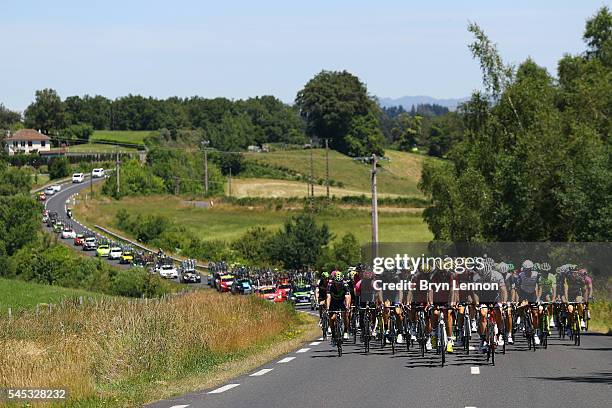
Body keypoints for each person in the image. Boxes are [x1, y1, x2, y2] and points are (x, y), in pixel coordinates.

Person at [472, 261, 508, 352]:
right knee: (483, 314)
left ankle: (499, 334)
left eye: (487, 277)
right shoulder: (477, 277)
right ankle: (483, 338)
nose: (486, 278)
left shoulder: (497, 275)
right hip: (483, 297)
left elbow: (503, 290)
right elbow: (475, 292)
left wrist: (503, 302)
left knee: (499, 312)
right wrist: (477, 303)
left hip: (495, 297)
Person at [326, 270, 351, 341]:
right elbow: (328, 297)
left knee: (345, 315)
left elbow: (347, 297)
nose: (338, 284)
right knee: (332, 318)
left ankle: (346, 331)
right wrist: (328, 308)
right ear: (334, 281)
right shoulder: (330, 286)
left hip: (342, 301)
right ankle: (333, 334)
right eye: (336, 283)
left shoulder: (345, 285)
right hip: (333, 302)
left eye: (339, 283)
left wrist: (347, 306)